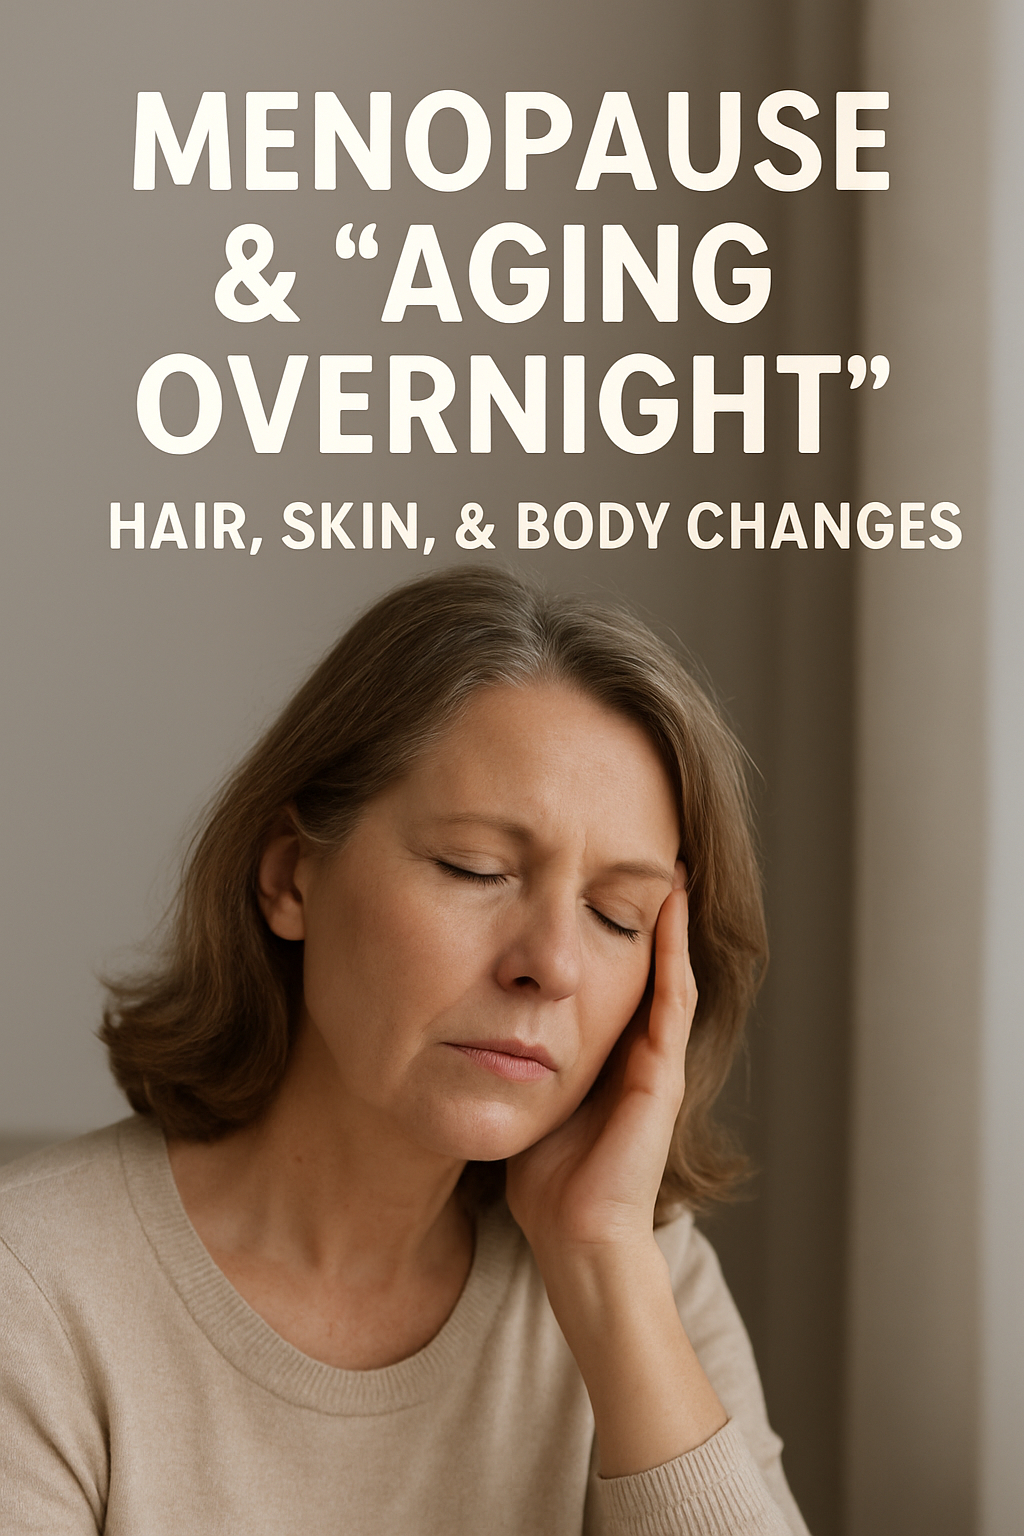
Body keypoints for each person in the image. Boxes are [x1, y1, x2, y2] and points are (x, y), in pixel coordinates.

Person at [0, 566, 808, 1535]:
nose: (549, 964)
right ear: (292, 876)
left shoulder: (648, 1276)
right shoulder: (36, 1291)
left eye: (615, 914)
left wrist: (602, 1268)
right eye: (476, 868)